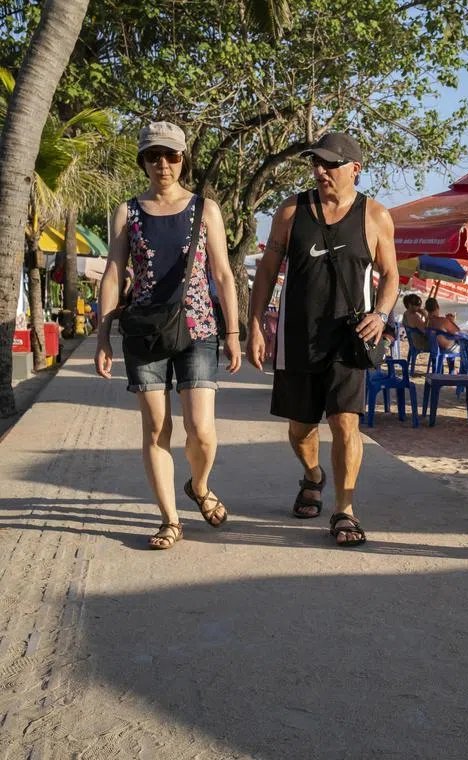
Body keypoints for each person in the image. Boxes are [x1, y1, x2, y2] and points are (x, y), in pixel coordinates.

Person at [246, 131, 399, 547]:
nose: (320, 171)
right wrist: (254, 322)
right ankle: (313, 476)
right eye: (316, 163)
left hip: (349, 339)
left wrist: (381, 314)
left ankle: (343, 509)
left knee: (346, 424)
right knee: (300, 429)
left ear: (354, 169)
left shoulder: (376, 216)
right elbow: (266, 270)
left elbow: (391, 276)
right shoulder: (292, 210)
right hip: (297, 337)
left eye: (330, 164)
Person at [95, 121, 242, 550]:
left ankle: (199, 485)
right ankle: (169, 520)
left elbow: (223, 274)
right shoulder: (127, 211)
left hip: (197, 328)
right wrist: (103, 334)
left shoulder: (205, 208)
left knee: (201, 430)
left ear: (184, 159)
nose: (163, 164)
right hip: (144, 330)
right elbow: (114, 273)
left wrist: (233, 332)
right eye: (154, 156)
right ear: (143, 161)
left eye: (172, 155)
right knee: (157, 427)